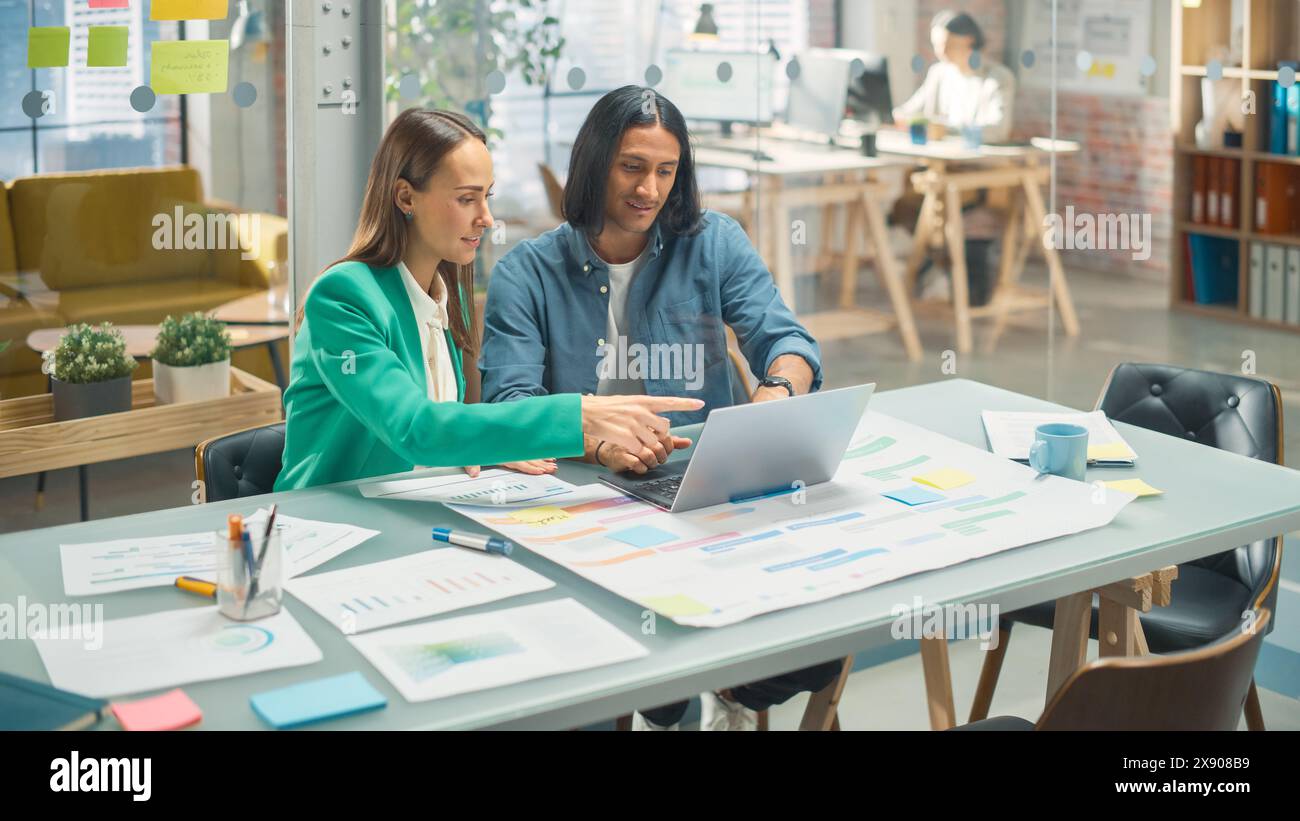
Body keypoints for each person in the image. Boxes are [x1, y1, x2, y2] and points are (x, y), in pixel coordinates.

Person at [479, 86, 841, 730]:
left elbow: (787, 343)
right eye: (633, 167)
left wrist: (776, 393)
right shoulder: (524, 275)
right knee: (649, 647)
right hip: (588, 507)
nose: (650, 189)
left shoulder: (713, 243)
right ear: (594, 164)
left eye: (666, 172)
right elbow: (511, 407)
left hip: (704, 491)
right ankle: (683, 690)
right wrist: (598, 441)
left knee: (819, 637)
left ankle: (711, 685)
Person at [275, 108, 701, 492]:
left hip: (412, 513)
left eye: (487, 196)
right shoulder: (342, 298)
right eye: (466, 199)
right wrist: (581, 414)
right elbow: (415, 428)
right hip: (325, 526)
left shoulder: (439, 296)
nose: (486, 217)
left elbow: (445, 430)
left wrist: (493, 444)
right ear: (406, 197)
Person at [891, 11, 1017, 306]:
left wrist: (943, 126)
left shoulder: (997, 78)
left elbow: (998, 129)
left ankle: (952, 274)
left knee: (947, 204)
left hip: (978, 174)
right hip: (941, 170)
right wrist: (902, 117)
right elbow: (910, 111)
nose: (940, 52)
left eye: (947, 45)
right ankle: (932, 266)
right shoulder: (940, 74)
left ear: (969, 41)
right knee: (907, 200)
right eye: (936, 45)